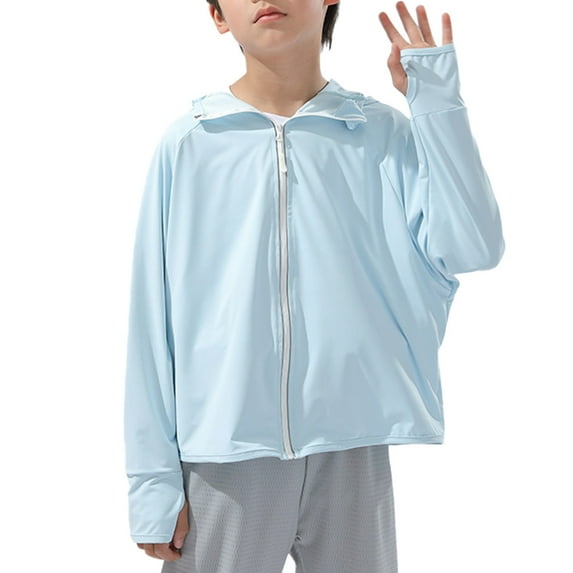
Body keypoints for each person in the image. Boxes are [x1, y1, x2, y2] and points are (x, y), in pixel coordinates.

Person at [123, 1, 505, 571]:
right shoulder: (190, 144)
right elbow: (151, 322)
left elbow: (474, 247)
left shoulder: (381, 135)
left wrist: (436, 106)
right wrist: (152, 479)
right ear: (218, 16)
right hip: (224, 453)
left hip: (354, 443)